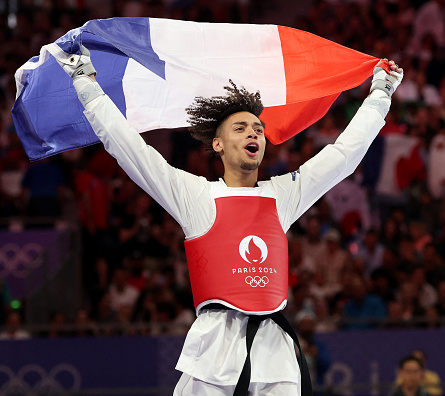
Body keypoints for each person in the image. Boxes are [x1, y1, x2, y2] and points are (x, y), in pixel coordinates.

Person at [56, 45, 403, 395]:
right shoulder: (196, 196)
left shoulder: (283, 195)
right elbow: (130, 148)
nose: (253, 133)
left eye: (257, 128)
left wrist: (380, 94)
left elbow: (344, 155)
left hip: (275, 353)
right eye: (241, 128)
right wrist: (86, 83)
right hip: (213, 350)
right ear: (218, 145)